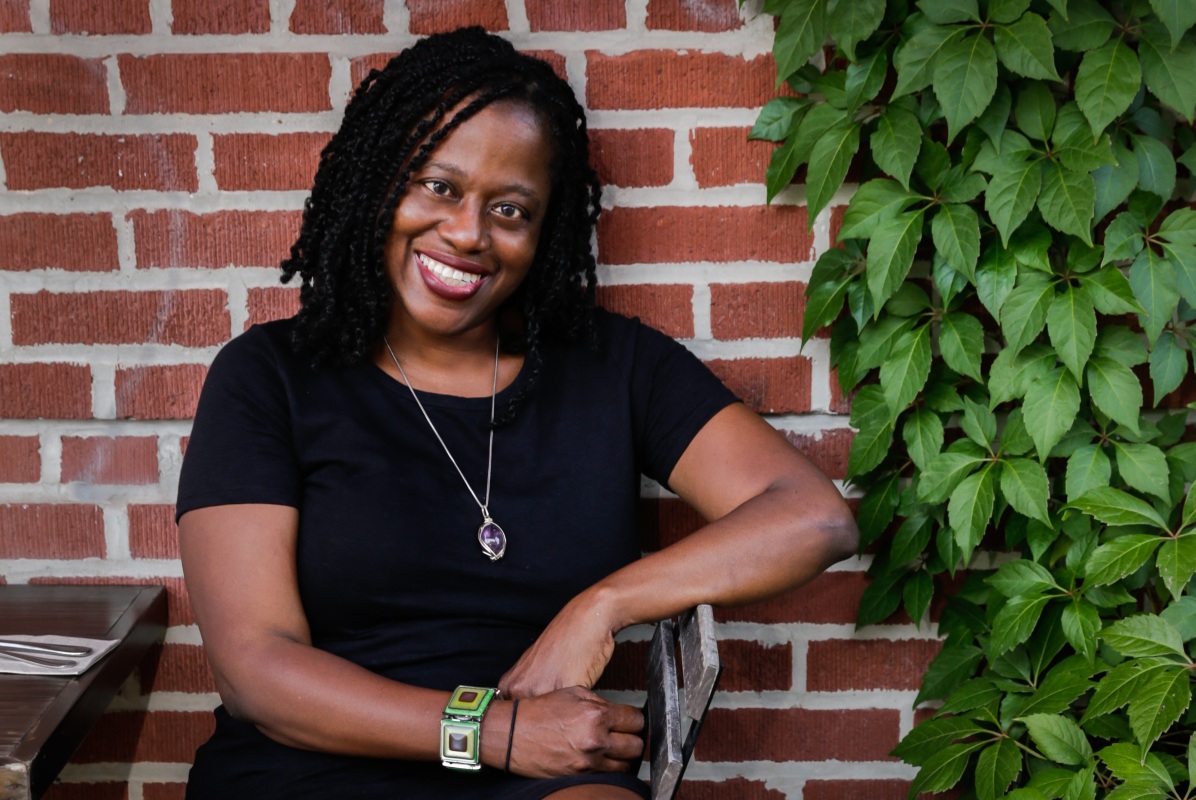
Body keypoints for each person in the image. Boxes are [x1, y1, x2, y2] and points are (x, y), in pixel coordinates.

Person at [176, 26, 858, 800]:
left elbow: (813, 518)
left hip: (540, 769)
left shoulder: (613, 367)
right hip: (312, 764)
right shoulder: (271, 376)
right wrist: (493, 732)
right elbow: (256, 670)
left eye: (510, 209)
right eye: (439, 187)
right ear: (379, 182)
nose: (469, 233)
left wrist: (601, 606)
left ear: (544, 232)